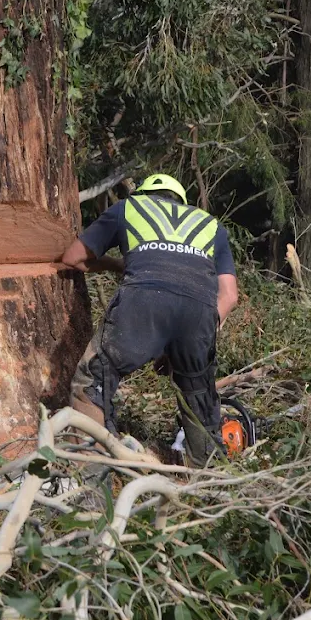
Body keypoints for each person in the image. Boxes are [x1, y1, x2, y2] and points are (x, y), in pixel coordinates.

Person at [61, 173, 240, 464]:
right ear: (181, 201)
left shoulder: (127, 209)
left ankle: (88, 480)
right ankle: (207, 481)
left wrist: (116, 265)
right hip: (199, 313)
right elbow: (229, 295)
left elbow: (72, 257)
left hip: (143, 300)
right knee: (198, 395)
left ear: (142, 194)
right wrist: (190, 340)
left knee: (94, 378)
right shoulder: (210, 225)